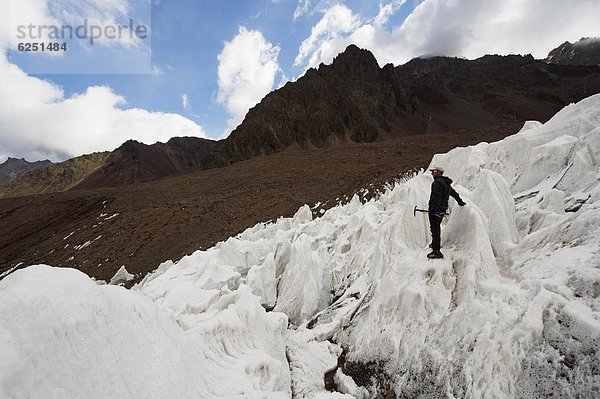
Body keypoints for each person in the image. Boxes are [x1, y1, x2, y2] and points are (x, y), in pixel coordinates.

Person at [427, 166, 465, 259]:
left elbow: (435, 197)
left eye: (434, 171)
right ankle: (434, 243)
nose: (432, 173)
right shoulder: (446, 183)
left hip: (435, 211)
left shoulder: (437, 183)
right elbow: (454, 194)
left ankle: (436, 251)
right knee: (436, 228)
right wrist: (460, 202)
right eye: (431, 172)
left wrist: (432, 209)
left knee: (435, 229)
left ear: (439, 172)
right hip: (442, 210)